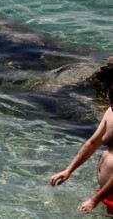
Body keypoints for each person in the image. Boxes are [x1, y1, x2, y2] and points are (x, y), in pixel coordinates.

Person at [50, 59, 113, 213]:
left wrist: (94, 200)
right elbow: (92, 143)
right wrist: (69, 170)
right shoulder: (111, 112)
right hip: (106, 191)